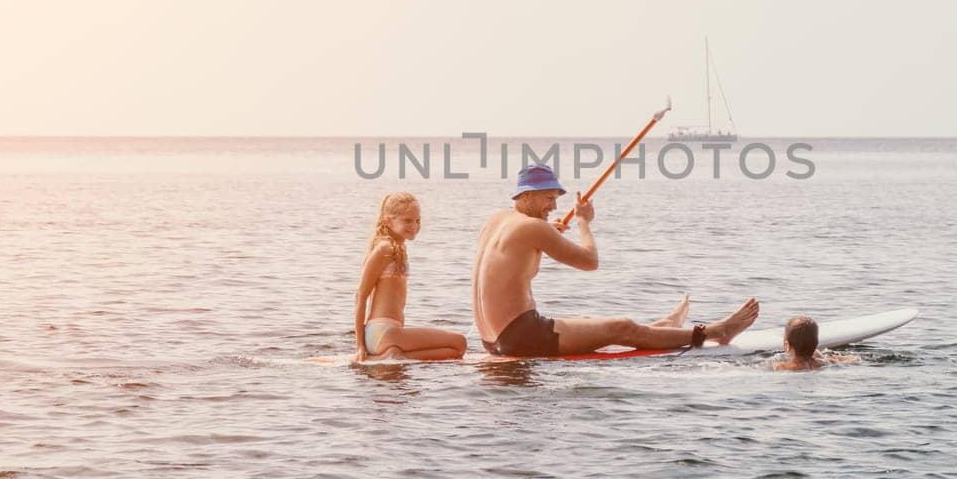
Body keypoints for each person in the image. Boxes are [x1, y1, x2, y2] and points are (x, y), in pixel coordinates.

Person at [471, 164, 759, 358]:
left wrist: (548, 235)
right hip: (522, 338)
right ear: (527, 195)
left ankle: (662, 327)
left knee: (588, 324)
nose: (554, 206)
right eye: (548, 198)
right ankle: (716, 331)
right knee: (621, 327)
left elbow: (517, 260)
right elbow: (589, 261)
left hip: (491, 339)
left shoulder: (497, 220)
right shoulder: (534, 228)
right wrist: (583, 222)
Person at [352, 192, 467, 362]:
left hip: (389, 333)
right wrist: (360, 346)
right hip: (382, 332)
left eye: (417, 220)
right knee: (460, 342)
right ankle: (389, 353)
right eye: (407, 220)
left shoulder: (398, 248)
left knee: (454, 352)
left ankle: (394, 354)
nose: (414, 226)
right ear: (388, 221)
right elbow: (360, 296)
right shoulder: (384, 248)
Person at [772, 315, 857, 370]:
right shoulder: (823, 362)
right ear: (816, 344)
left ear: (787, 345)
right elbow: (855, 359)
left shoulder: (781, 367)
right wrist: (827, 357)